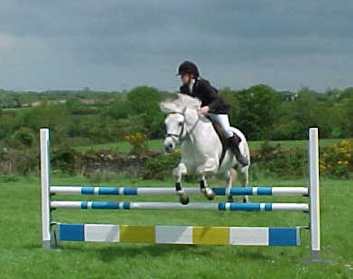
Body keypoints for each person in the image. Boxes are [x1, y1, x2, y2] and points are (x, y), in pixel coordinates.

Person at [177, 60, 248, 166]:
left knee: (226, 130)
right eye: (181, 76)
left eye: (183, 75)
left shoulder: (203, 84)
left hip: (217, 111)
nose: (181, 78)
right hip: (201, 114)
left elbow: (217, 99)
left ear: (192, 75)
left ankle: (238, 155)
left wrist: (208, 108)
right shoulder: (183, 89)